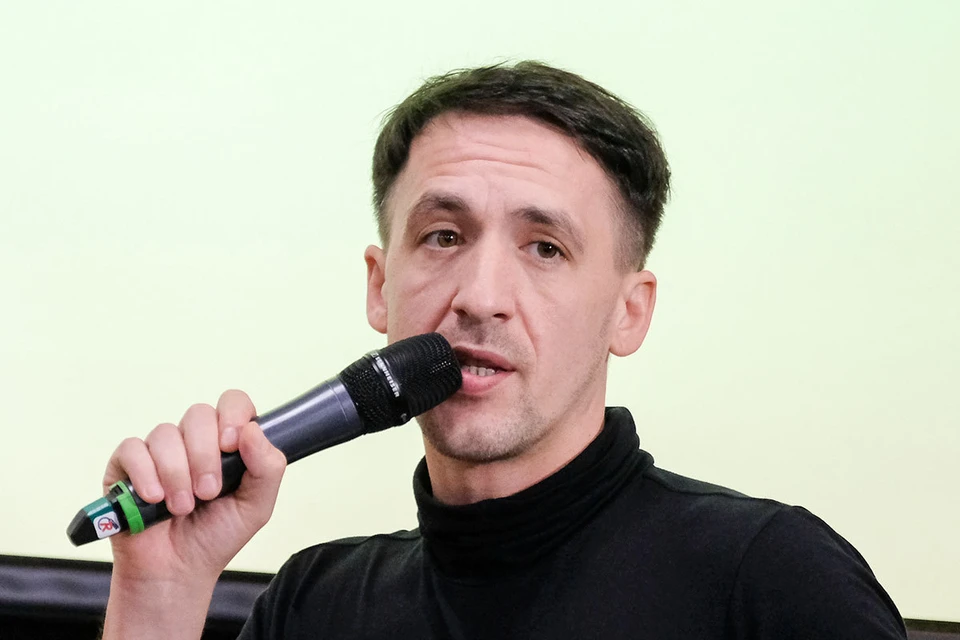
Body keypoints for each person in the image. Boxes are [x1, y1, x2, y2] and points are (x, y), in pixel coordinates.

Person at [100, 61, 907, 639]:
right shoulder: (316, 606)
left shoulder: (769, 580)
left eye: (545, 248)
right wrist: (160, 594)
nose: (480, 296)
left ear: (629, 313)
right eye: (443, 237)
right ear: (381, 288)